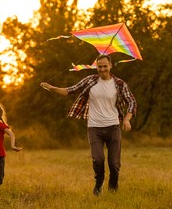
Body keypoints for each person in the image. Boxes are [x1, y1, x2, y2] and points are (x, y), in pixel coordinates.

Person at [40, 54, 137, 196]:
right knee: (98, 160)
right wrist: (52, 88)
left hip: (113, 127)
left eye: (105, 66)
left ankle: (113, 189)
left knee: (114, 164)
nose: (102, 69)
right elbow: (69, 91)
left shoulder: (119, 84)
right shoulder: (90, 81)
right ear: (96, 66)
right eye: (99, 66)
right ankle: (99, 183)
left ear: (110, 66)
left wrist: (127, 119)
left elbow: (132, 102)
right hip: (94, 128)